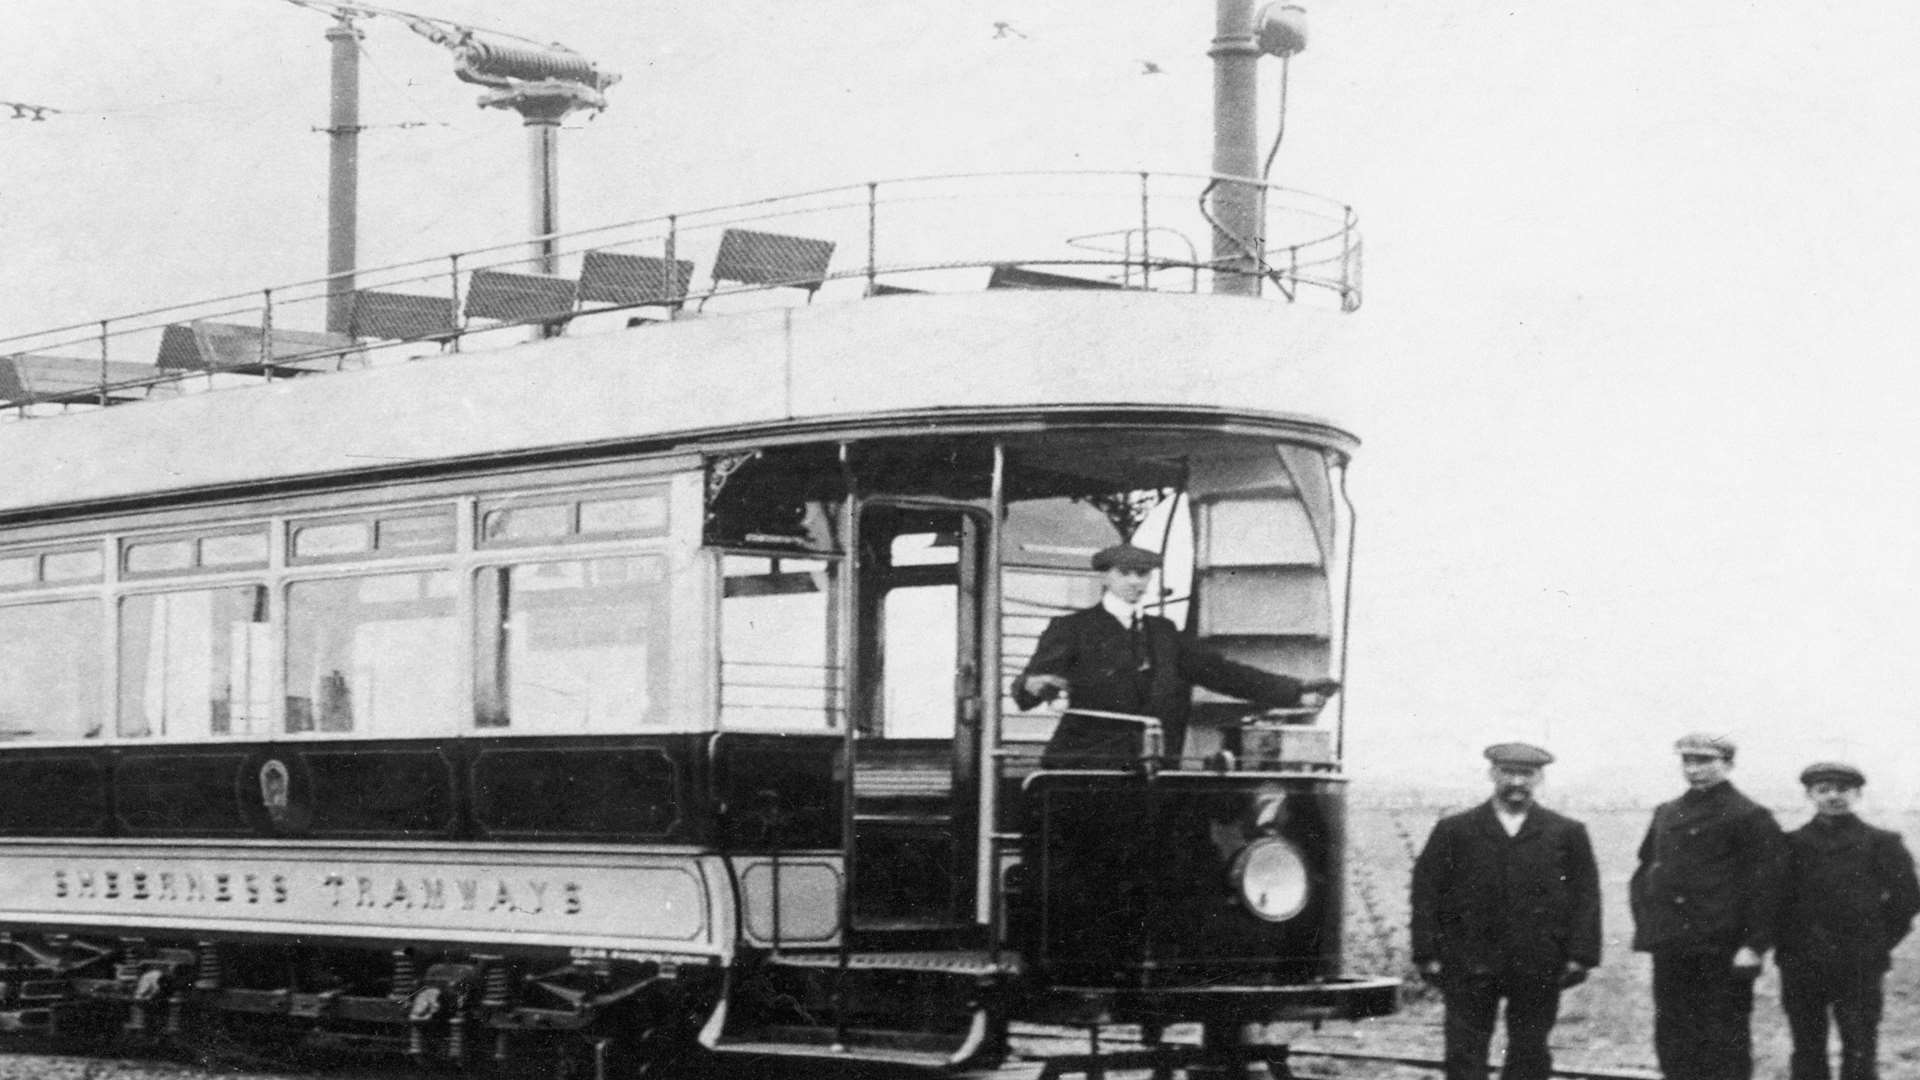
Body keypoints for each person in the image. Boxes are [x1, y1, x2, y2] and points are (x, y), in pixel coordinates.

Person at [1010, 542, 1338, 756]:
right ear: (1105, 577)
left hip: (1153, 764)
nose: (1136, 582)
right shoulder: (1072, 629)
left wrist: (1295, 692)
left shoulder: (1164, 633)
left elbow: (1222, 673)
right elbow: (1028, 690)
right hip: (1085, 768)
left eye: (1143, 574)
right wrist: (1034, 685)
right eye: (1125, 573)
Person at [1409, 743, 1601, 1080]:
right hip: (1469, 959)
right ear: (1492, 774)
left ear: (1539, 778)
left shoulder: (1566, 833)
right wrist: (1426, 952)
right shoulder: (1455, 830)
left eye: (1526, 774)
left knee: (1530, 1049)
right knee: (1464, 1051)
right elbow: (1426, 893)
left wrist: (1580, 955)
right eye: (1507, 773)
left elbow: (1586, 897)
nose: (1516, 782)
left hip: (1537, 961)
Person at [1630, 732, 1787, 1080]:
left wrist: (1753, 944)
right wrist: (1651, 924)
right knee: (1673, 1035)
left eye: (1705, 761)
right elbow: (1645, 869)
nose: (1695, 769)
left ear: (1728, 765)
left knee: (1723, 1039)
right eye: (1688, 761)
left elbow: (1768, 887)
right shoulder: (1667, 812)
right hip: (1673, 945)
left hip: (1722, 948)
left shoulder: (1750, 816)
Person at [1775, 762, 1920, 1080]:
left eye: (1842, 789)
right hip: (1801, 962)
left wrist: (1875, 942)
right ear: (1809, 794)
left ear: (1857, 794)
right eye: (1823, 790)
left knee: (1860, 1046)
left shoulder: (1882, 843)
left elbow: (1907, 901)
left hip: (1859, 963)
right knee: (1807, 1046)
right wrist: (1792, 943)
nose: (1833, 797)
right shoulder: (1789, 844)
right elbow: (1774, 902)